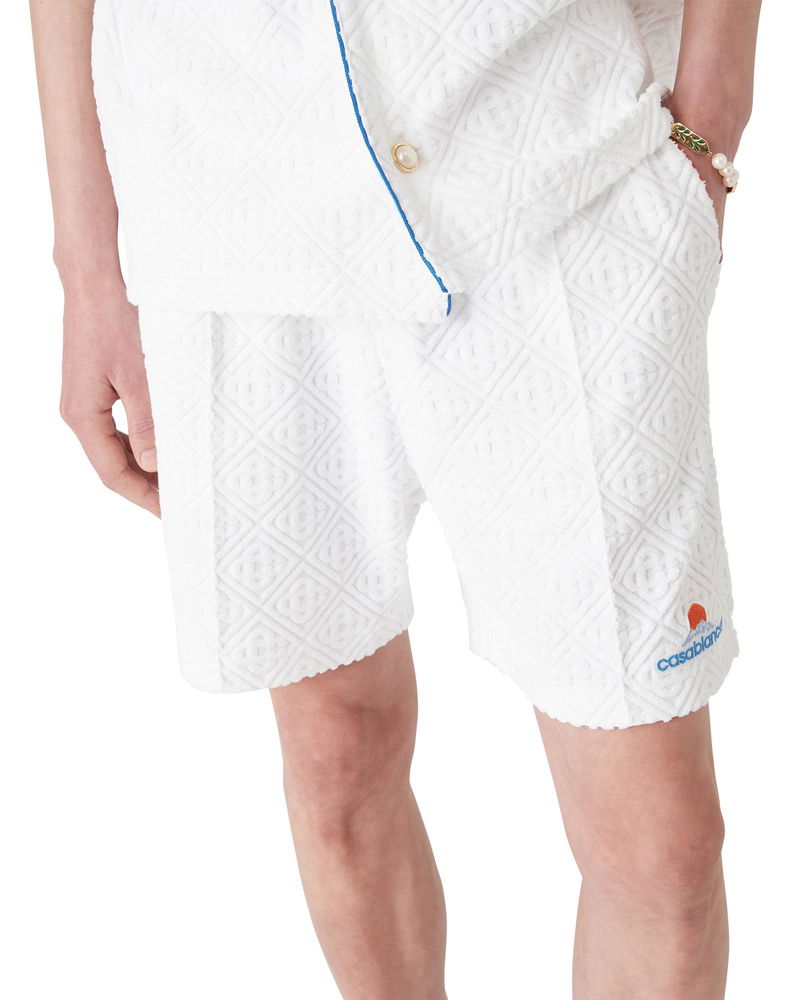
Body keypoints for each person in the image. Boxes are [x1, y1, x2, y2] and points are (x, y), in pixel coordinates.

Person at [30, 1, 761, 996]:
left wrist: (713, 114)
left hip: (548, 149)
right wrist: (87, 261)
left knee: (662, 846)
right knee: (337, 750)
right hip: (227, 186)